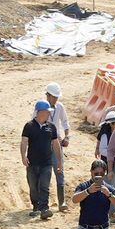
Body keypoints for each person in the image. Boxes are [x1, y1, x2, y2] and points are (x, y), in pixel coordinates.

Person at [20, 100, 63, 220]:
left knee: (44, 185)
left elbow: (55, 144)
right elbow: (24, 142)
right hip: (32, 162)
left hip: (46, 163)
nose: (49, 114)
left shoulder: (51, 127)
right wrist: (23, 156)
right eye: (47, 112)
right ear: (40, 112)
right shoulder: (29, 126)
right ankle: (35, 207)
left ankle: (44, 208)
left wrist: (59, 161)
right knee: (33, 186)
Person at [45, 82, 72, 210]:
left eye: (57, 97)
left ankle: (62, 202)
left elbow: (65, 122)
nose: (55, 99)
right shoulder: (41, 108)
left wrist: (66, 136)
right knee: (45, 173)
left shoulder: (60, 107)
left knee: (59, 170)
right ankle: (45, 202)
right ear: (48, 96)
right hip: (44, 144)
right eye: (54, 97)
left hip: (56, 142)